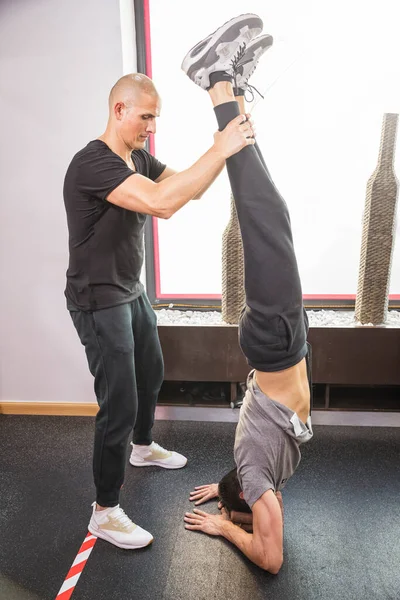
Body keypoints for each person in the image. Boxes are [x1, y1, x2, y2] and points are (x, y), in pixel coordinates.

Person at [63, 14, 263, 550]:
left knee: (151, 370)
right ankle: (104, 511)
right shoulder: (93, 164)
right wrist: (221, 147)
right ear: (118, 108)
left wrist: (228, 144)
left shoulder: (136, 156)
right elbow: (161, 203)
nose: (150, 126)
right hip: (96, 300)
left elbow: (186, 188)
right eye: (144, 117)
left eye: (156, 119)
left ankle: (143, 446)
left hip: (128, 289)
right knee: (119, 402)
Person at [181, 14, 314, 574]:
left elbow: (272, 560)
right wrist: (226, 491)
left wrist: (224, 526)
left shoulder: (258, 476)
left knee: (264, 216)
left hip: (275, 341)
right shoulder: (257, 475)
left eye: (258, 510)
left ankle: (213, 78)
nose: (271, 511)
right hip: (286, 340)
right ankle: (228, 88)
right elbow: (248, 486)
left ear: (251, 501)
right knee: (271, 213)